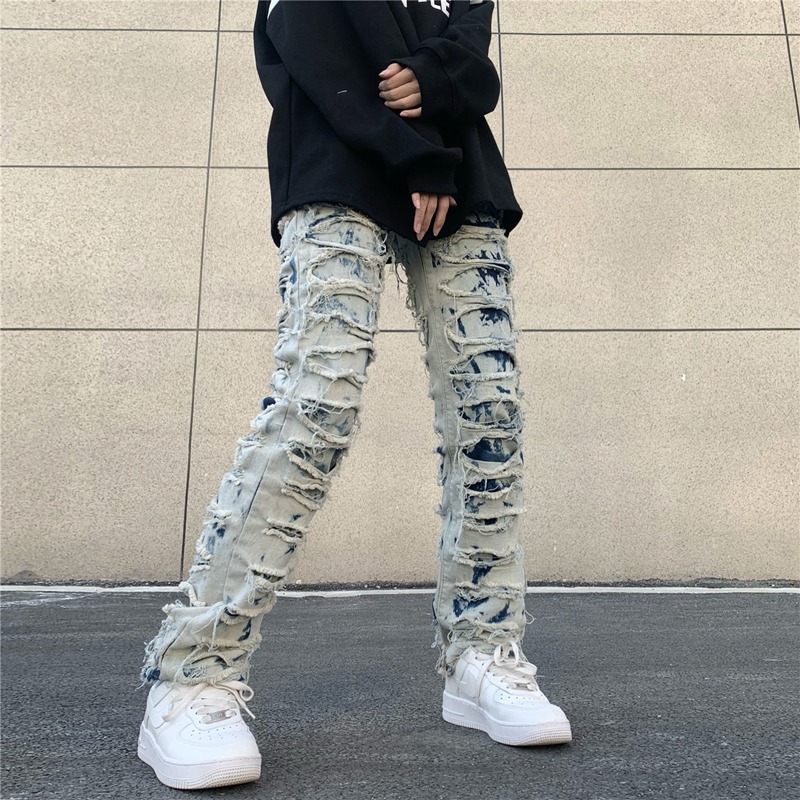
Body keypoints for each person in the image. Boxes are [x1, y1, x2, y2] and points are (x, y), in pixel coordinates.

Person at [136, 0, 572, 790]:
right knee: (318, 404)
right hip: (340, 156)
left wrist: (435, 83)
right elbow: (309, 36)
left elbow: (474, 60)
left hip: (461, 173)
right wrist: (416, 150)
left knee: (491, 420)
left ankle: (482, 651)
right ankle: (193, 672)